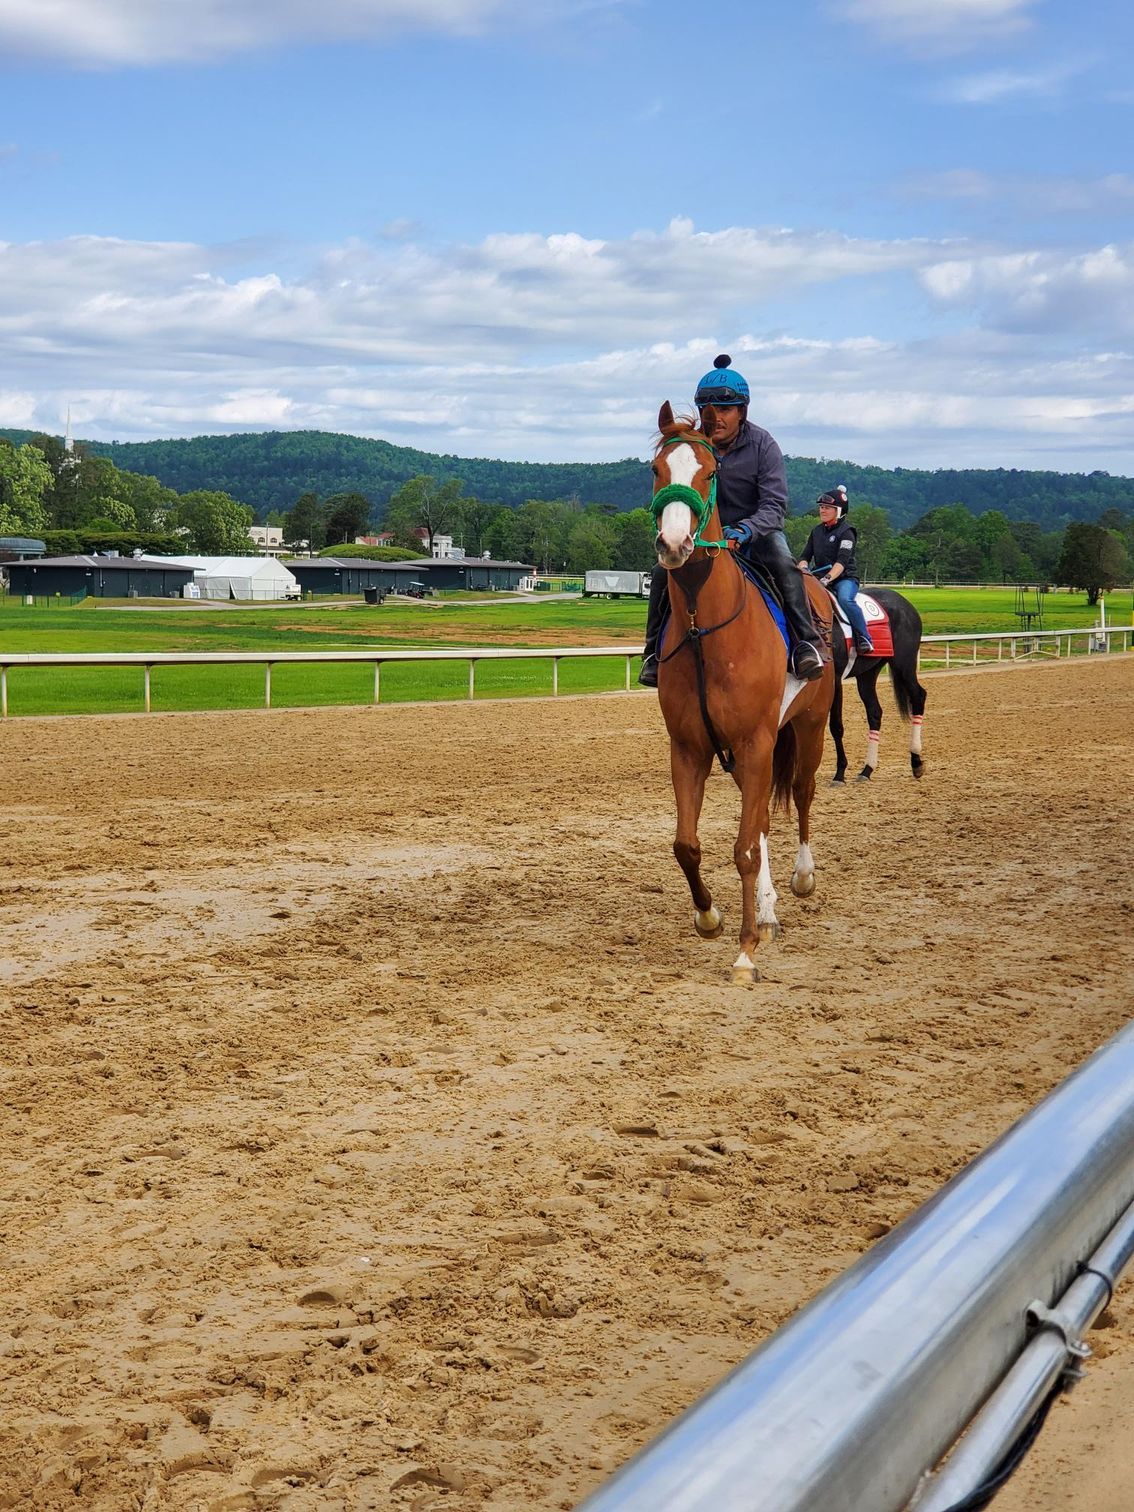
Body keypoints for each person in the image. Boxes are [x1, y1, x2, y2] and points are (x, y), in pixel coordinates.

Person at [639, 354, 825, 687]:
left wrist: (746, 529)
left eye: (726, 410)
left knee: (784, 564)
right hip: (707, 538)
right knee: (661, 571)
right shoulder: (694, 448)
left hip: (757, 532)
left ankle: (805, 643)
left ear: (742, 411)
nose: (717, 418)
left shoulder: (763, 445)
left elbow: (775, 504)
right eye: (710, 411)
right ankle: (653, 653)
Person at [797, 486, 874, 653]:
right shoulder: (816, 531)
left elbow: (841, 562)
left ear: (839, 511)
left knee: (846, 599)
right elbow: (804, 557)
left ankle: (864, 637)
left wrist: (827, 579)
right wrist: (803, 570)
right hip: (818, 579)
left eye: (827, 508)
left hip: (844, 579)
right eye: (821, 507)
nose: (822, 510)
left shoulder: (847, 532)